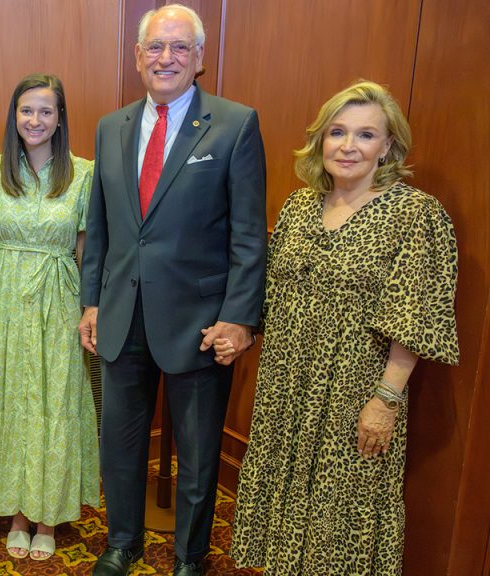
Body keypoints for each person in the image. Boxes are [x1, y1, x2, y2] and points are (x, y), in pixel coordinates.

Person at [228, 80, 459, 575]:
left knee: (340, 514)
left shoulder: (415, 216)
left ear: (388, 146)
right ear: (321, 140)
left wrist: (385, 401)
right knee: (283, 498)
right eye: (337, 132)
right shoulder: (299, 205)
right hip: (285, 383)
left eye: (365, 135)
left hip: (353, 390)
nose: (348, 146)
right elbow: (270, 292)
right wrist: (238, 331)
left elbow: (414, 318)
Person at [79, 4, 268, 575]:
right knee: (121, 444)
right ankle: (123, 542)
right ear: (137, 57)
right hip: (121, 315)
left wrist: (239, 317)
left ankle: (190, 557)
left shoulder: (235, 124)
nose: (167, 58)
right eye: (156, 47)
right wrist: (91, 301)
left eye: (180, 47)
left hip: (200, 323)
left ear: (200, 58)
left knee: (197, 453)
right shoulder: (111, 127)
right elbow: (103, 226)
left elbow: (248, 235)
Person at [0, 73, 99, 561]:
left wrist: (91, 307)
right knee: (9, 400)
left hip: (59, 297)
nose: (35, 120)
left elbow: (87, 250)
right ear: (14, 115)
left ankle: (47, 515)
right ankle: (16, 513)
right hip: (3, 297)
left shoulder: (83, 173)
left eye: (46, 110)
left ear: (60, 117)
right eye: (27, 110)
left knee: (54, 402)